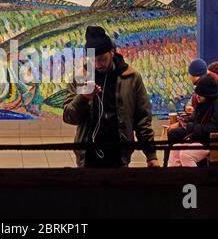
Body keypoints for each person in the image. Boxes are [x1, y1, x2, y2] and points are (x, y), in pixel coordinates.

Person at [63, 26, 159, 168]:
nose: (97, 64)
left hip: (119, 154)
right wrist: (83, 98)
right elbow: (69, 117)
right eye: (92, 60)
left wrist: (151, 155)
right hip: (88, 156)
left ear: (112, 52)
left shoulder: (131, 78)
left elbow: (142, 119)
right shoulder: (80, 78)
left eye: (102, 59)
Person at [167, 74, 218, 167]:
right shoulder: (205, 102)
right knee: (175, 149)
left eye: (200, 95)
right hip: (202, 138)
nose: (197, 97)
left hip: (212, 142)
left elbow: (215, 129)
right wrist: (185, 121)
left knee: (186, 155)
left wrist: (190, 127)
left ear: (207, 95)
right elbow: (196, 117)